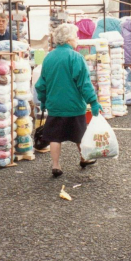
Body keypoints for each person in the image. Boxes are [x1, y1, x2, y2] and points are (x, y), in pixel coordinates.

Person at [35, 24, 102, 178]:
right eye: (76, 36)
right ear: (68, 39)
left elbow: (41, 84)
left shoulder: (48, 58)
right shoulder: (76, 57)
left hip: (55, 106)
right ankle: (84, 158)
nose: (77, 39)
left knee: (55, 137)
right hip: (74, 106)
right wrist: (93, 102)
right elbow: (84, 84)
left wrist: (44, 101)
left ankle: (56, 166)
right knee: (80, 136)